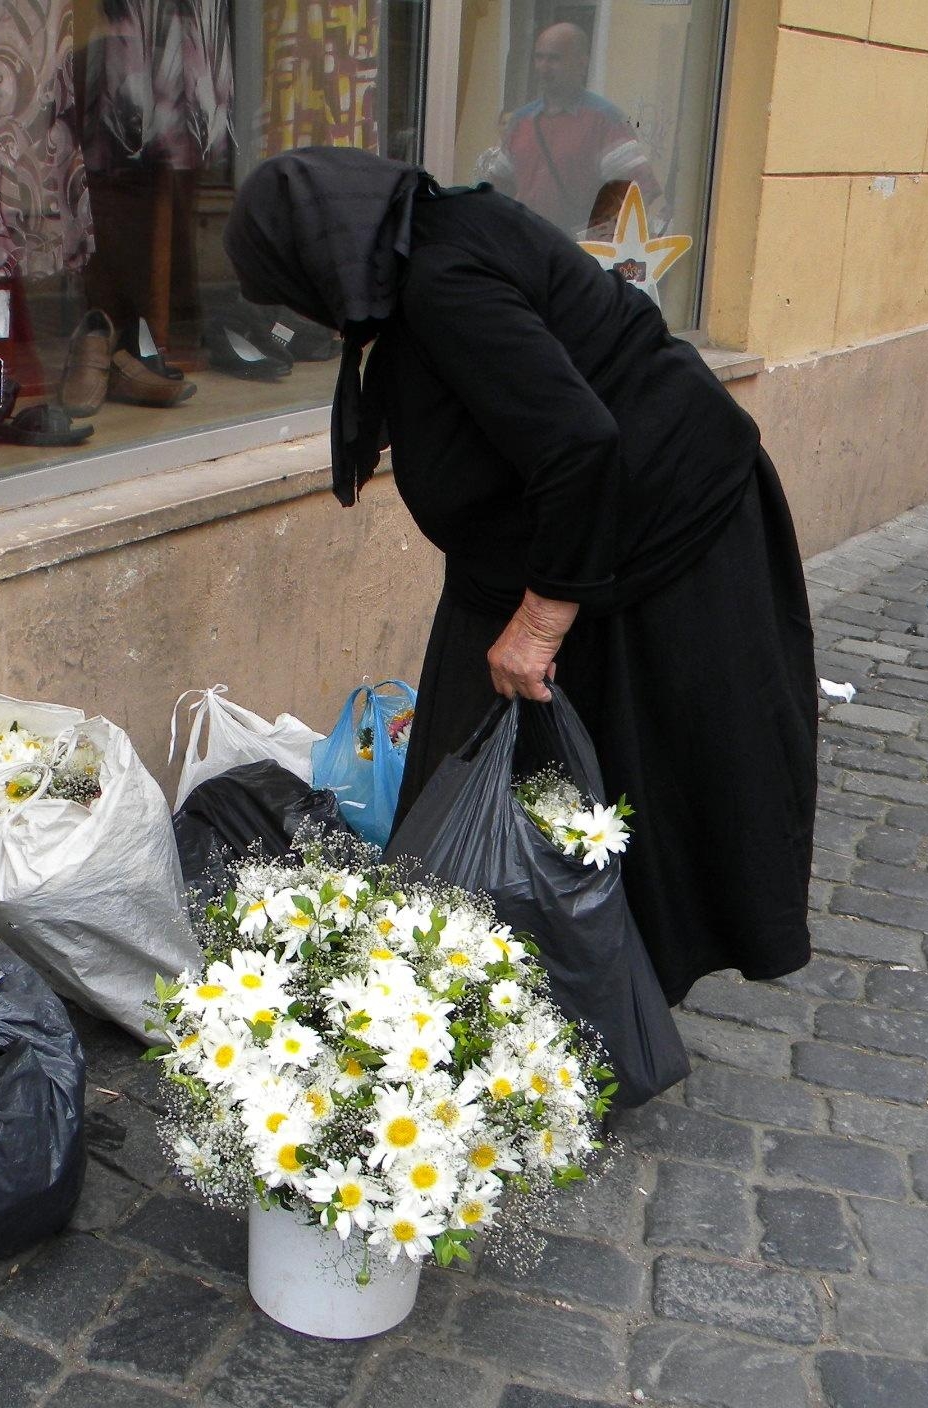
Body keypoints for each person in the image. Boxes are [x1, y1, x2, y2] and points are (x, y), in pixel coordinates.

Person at [224, 148, 817, 1007]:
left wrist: (540, 624)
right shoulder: (434, 242)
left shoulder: (442, 282)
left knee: (631, 770)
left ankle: (561, 993)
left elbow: (579, 442)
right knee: (492, 766)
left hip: (661, 527)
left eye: (288, 290)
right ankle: (509, 986)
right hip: (575, 538)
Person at [473, 22, 661, 237]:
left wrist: (601, 239)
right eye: (539, 57)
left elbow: (640, 189)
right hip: (527, 248)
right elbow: (497, 187)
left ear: (582, 63)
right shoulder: (521, 121)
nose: (544, 67)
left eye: (554, 59)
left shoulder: (604, 120)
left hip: (578, 255)